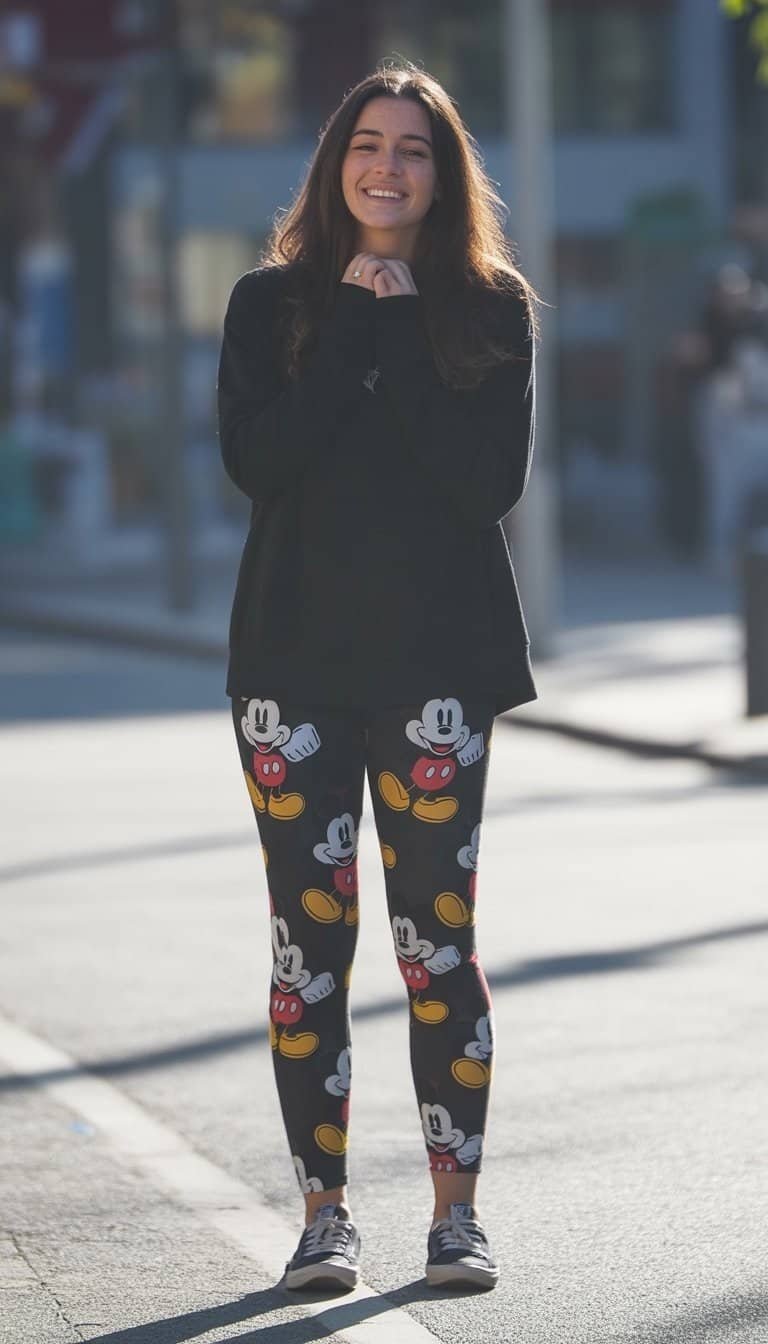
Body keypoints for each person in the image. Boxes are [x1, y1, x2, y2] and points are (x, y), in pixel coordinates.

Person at [217, 58, 538, 1294]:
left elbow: (483, 483)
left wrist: (401, 325)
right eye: (369, 143)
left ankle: (456, 1217)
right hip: (292, 670)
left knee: (435, 946)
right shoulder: (267, 303)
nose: (387, 165)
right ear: (335, 163)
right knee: (312, 948)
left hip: (435, 672)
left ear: (443, 173)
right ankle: (325, 1219)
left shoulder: (489, 305)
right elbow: (262, 464)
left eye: (413, 148)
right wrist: (351, 321)